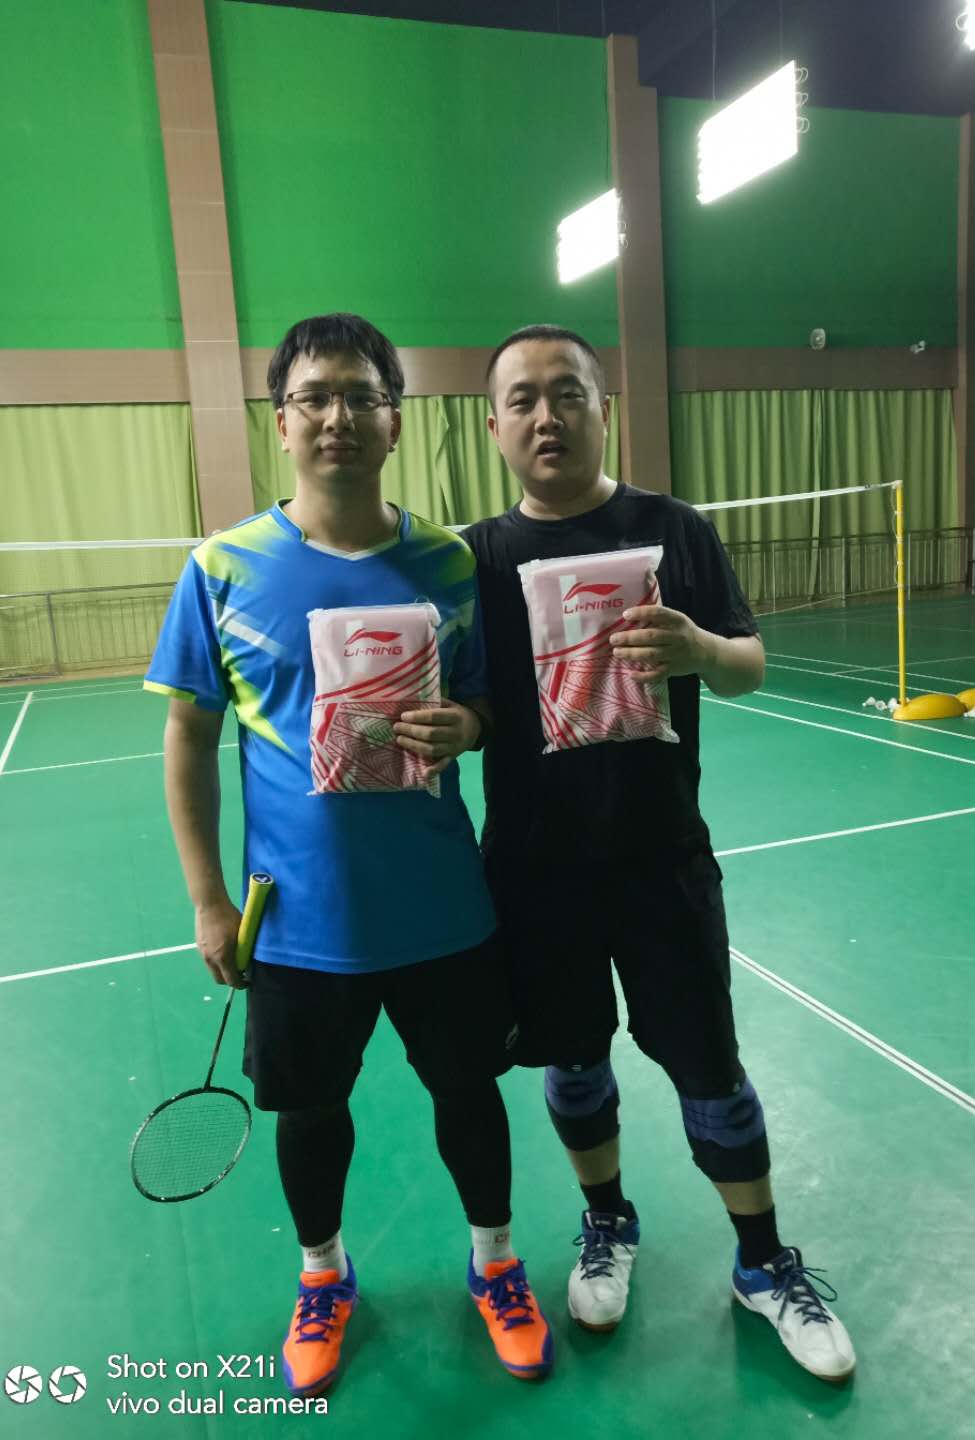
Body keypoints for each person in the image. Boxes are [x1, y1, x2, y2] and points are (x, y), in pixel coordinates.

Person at [144, 313, 551, 1399]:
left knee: (469, 1092)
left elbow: (489, 702)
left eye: (361, 396)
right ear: (281, 423)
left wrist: (471, 725)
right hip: (298, 921)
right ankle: (322, 1276)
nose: (338, 416)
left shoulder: (450, 564)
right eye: (313, 397)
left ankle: (497, 1264)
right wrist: (207, 902)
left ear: (394, 420)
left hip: (443, 909)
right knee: (311, 1111)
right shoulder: (221, 568)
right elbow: (187, 737)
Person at [464, 324, 855, 1383]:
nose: (547, 414)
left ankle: (764, 1264)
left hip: (661, 861)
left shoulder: (674, 529)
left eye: (568, 392)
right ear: (493, 426)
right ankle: (608, 1222)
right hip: (536, 874)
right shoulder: (477, 558)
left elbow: (749, 664)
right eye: (523, 399)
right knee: (573, 1060)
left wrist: (699, 648)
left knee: (710, 1072)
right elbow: (472, 704)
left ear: (605, 409)